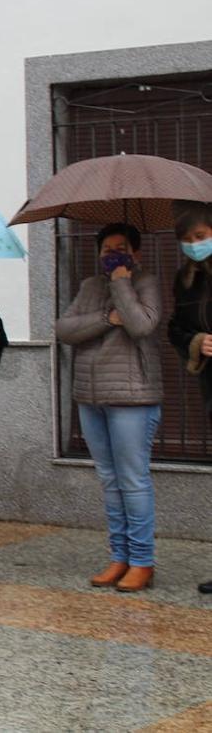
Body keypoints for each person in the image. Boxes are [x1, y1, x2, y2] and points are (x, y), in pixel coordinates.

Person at [56, 224, 163, 593]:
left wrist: (121, 282)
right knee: (110, 480)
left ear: (136, 253)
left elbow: (141, 324)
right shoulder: (89, 286)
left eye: (120, 248)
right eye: (106, 249)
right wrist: (105, 319)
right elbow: (64, 329)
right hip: (90, 396)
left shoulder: (146, 281)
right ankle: (119, 556)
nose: (112, 253)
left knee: (133, 480)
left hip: (133, 397)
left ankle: (142, 562)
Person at [168, 202, 212, 596]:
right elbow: (176, 328)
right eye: (187, 241)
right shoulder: (186, 279)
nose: (195, 246)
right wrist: (198, 341)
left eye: (200, 238)